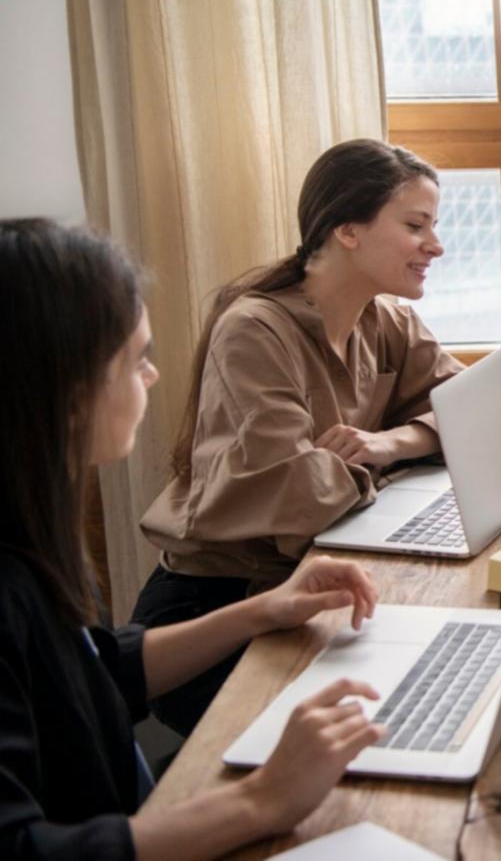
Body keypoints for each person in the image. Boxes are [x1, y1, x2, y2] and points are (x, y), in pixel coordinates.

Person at [0, 217, 388, 860]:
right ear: (67, 394)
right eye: (136, 359)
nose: (151, 378)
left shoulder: (30, 532)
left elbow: (94, 665)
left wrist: (264, 608)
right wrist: (260, 801)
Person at [135, 139, 464, 735]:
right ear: (348, 230)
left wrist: (390, 444)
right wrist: (383, 461)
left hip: (310, 581)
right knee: (389, 724)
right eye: (416, 225)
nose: (436, 245)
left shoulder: (385, 319)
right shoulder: (254, 331)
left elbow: (472, 410)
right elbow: (301, 494)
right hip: (217, 604)